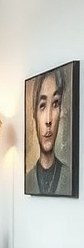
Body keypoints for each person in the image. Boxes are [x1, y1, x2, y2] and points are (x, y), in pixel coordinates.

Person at [25, 67, 72, 195]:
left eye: (55, 104)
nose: (48, 120)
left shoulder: (69, 177)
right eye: (42, 106)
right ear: (34, 115)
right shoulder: (27, 179)